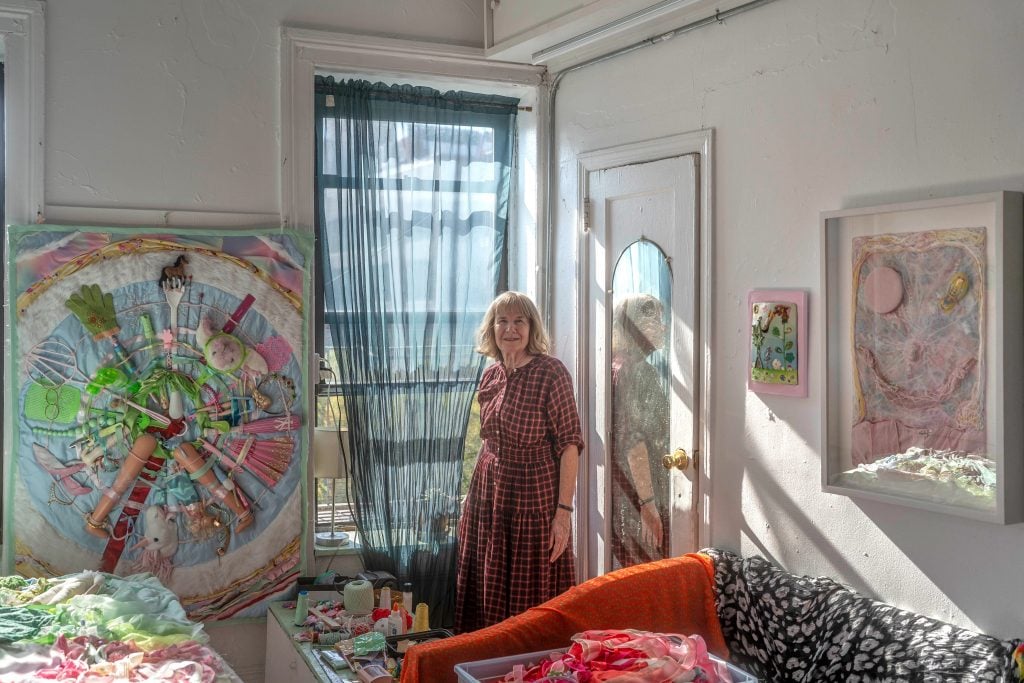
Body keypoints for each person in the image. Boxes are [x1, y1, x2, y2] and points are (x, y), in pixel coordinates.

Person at [454, 291, 584, 633]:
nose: (510, 329)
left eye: (519, 321)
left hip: (533, 496)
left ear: (531, 327)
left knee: (532, 593)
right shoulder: (491, 376)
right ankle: (488, 662)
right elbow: (487, 441)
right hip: (489, 495)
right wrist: (470, 498)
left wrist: (563, 513)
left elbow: (570, 445)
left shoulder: (551, 372)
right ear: (492, 329)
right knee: (488, 582)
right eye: (502, 321)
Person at [609, 293, 670, 569]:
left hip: (623, 491)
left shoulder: (616, 363)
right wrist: (648, 503)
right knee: (649, 575)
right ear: (635, 326)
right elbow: (634, 441)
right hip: (641, 492)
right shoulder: (638, 371)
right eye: (655, 320)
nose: (663, 327)